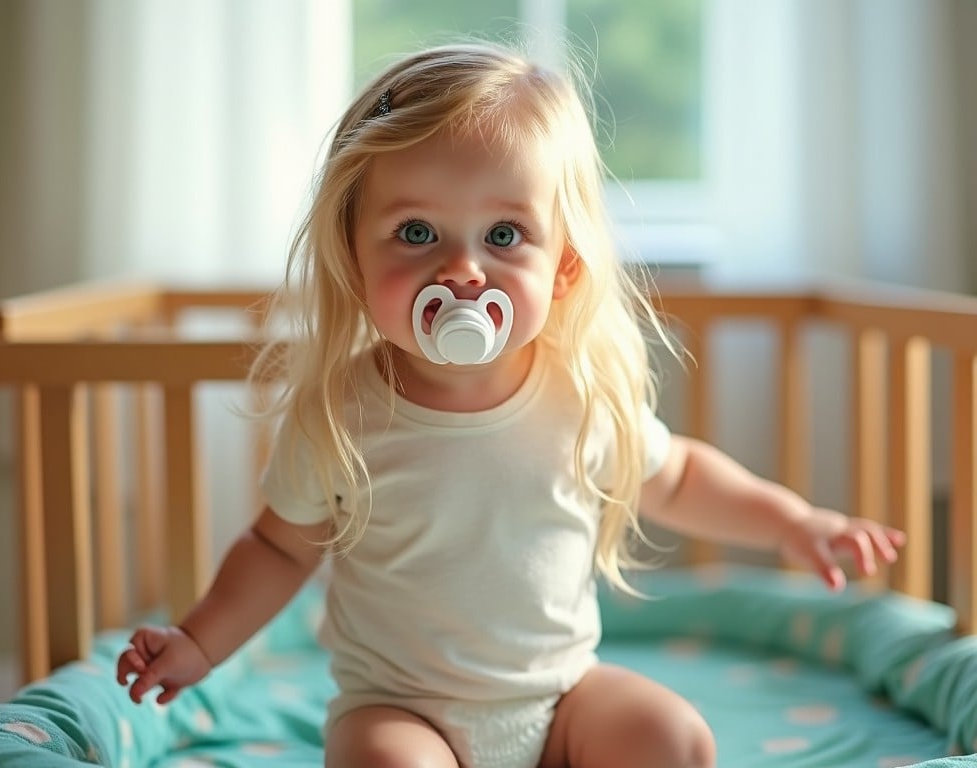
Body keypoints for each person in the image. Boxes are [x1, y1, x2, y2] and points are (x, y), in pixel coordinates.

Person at [116, 41, 905, 768]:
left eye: (502, 235)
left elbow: (679, 477)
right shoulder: (342, 412)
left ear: (561, 268)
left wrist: (794, 523)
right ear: (353, 259)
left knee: (673, 737)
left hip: (561, 700)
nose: (462, 270)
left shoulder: (577, 397)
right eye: (417, 231)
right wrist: (198, 642)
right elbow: (280, 549)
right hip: (399, 710)